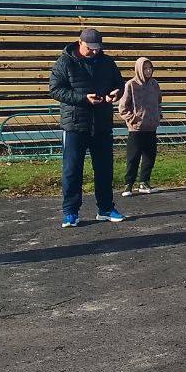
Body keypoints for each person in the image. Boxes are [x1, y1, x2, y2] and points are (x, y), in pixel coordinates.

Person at [49, 27, 126, 226]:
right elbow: (56, 90)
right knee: (72, 170)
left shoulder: (107, 62)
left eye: (97, 48)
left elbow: (120, 83)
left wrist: (116, 92)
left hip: (101, 123)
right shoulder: (65, 62)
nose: (94, 52)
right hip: (75, 124)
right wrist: (82, 99)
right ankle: (71, 211)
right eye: (90, 48)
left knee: (104, 169)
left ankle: (106, 208)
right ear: (80, 43)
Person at [117, 56, 162, 197]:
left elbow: (159, 102)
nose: (148, 71)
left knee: (150, 156)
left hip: (151, 127)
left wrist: (157, 116)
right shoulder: (130, 84)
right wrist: (132, 119)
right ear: (138, 69)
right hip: (136, 129)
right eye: (145, 68)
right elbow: (123, 107)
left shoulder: (155, 84)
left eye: (150, 68)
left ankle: (144, 182)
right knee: (133, 157)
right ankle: (128, 185)